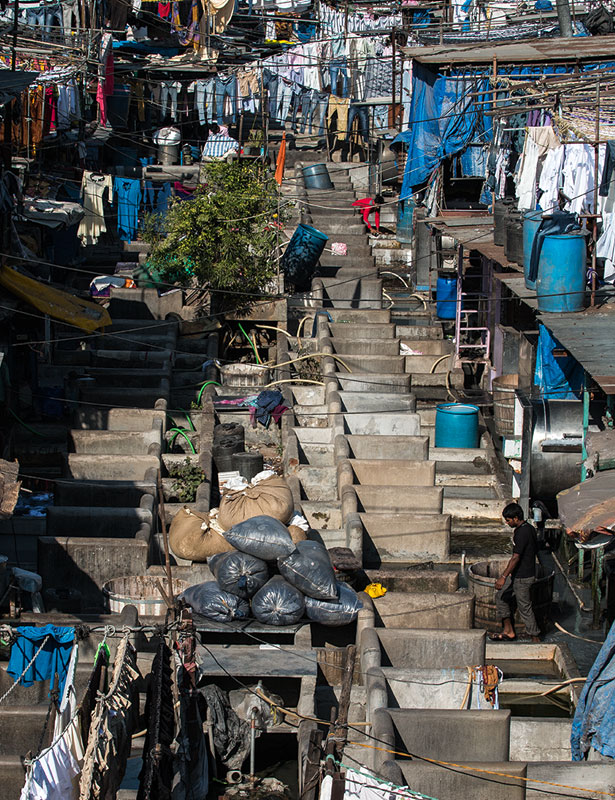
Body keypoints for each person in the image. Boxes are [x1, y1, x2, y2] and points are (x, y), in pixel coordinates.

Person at [490, 502, 541, 642]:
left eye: (508, 520)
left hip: (523, 577)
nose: (507, 522)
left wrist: (503, 576)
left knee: (525, 607)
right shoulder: (529, 528)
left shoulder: (522, 533)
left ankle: (535, 637)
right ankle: (508, 630)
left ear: (516, 518)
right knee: (501, 597)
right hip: (520, 575)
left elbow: (515, 557)